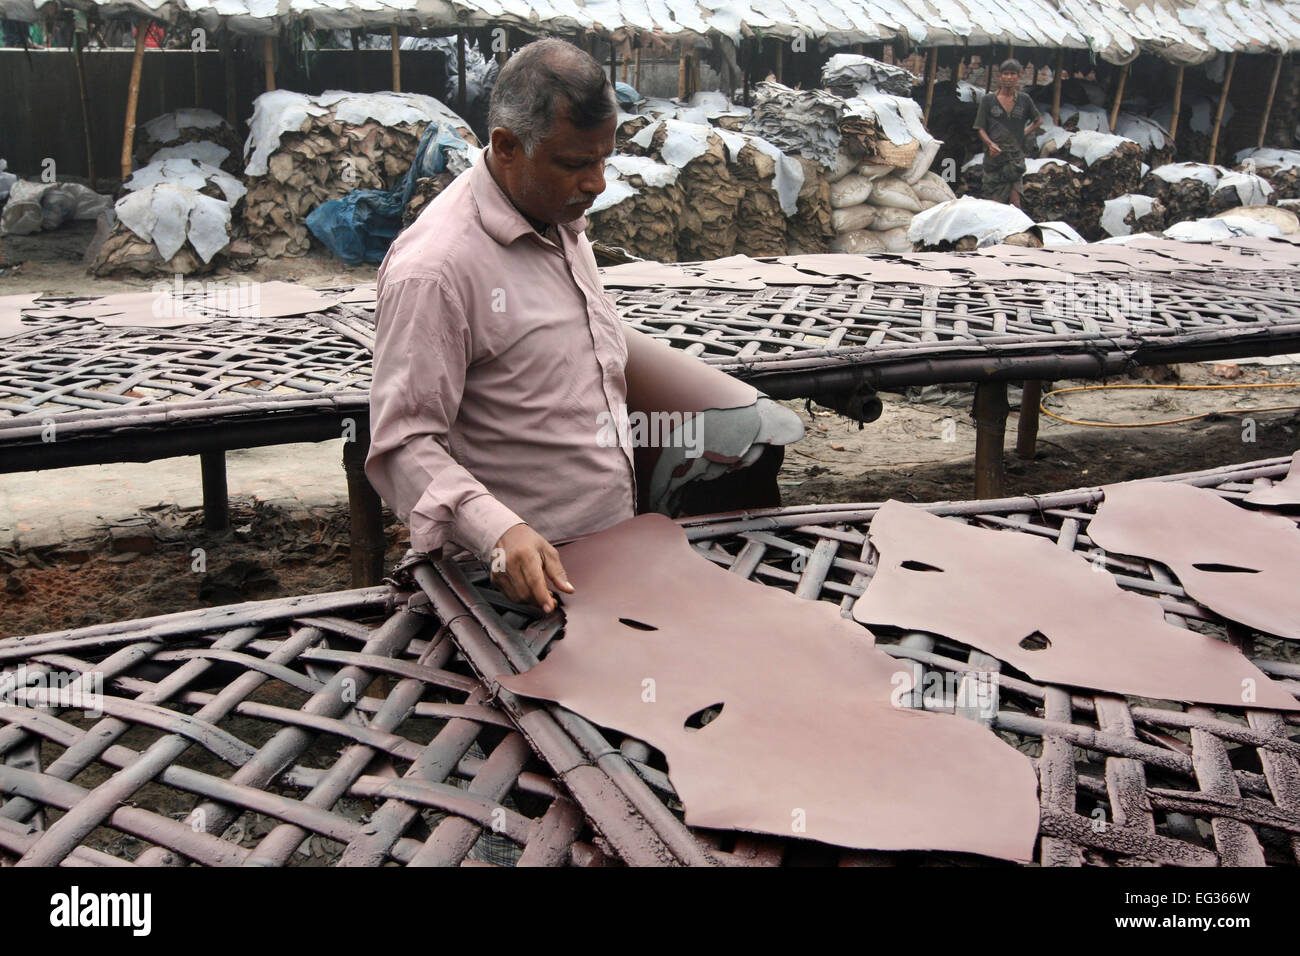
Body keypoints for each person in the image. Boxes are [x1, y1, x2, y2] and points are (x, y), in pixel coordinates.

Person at [365, 38, 633, 614]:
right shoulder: (436, 272)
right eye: (575, 163)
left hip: (610, 553)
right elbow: (402, 444)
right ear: (507, 147)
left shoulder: (557, 216)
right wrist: (497, 532)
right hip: (516, 584)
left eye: (603, 159)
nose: (598, 183)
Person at [973, 60, 1043, 208]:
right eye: (1005, 73)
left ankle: (1016, 230)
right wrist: (990, 144)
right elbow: (980, 128)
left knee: (1015, 202)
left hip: (1015, 158)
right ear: (1000, 77)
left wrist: (1024, 133)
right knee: (992, 203)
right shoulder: (988, 100)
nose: (1009, 77)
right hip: (994, 159)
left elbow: (1038, 120)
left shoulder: (1024, 100)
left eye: (1013, 74)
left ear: (1019, 76)